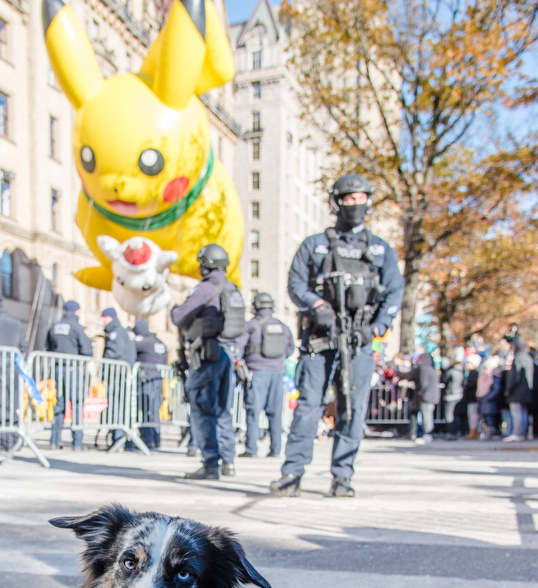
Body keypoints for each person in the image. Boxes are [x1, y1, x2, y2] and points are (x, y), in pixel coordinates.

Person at [270, 173, 404, 497]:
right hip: (320, 340)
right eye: (348, 199)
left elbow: (395, 292)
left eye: (361, 198)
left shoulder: (380, 250)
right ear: (337, 202)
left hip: (359, 341)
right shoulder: (314, 245)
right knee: (308, 407)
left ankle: (342, 476)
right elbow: (295, 283)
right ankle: (292, 474)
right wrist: (318, 306)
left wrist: (376, 328)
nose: (354, 204)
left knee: (352, 410)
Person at [170, 243, 245, 480]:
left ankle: (210, 463)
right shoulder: (232, 289)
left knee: (203, 410)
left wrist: (173, 309)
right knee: (223, 410)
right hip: (226, 354)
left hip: (206, 356)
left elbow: (180, 316)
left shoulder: (205, 289)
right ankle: (228, 461)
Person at [235, 292, 294, 458]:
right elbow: (290, 349)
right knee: (275, 413)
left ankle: (251, 449)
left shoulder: (251, 326)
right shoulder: (283, 327)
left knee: (253, 412)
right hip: (277, 373)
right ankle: (275, 450)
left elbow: (238, 348)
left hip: (257, 373)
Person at [46, 300, 93, 449]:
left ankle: (55, 440)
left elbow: (47, 347)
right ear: (77, 312)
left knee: (59, 405)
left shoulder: (54, 327)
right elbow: (87, 351)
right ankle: (77, 442)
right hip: (73, 369)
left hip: (58, 369)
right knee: (77, 404)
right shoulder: (77, 328)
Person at [0, 293, 27, 451]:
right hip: (13, 368)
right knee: (13, 405)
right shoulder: (15, 322)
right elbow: (23, 345)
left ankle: (2, 443)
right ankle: (13, 441)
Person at [100, 307, 137, 447]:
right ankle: (125, 440)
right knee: (124, 407)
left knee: (116, 407)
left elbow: (113, 353)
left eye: (104, 317)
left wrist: (103, 371)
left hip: (117, 376)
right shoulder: (125, 332)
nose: (102, 320)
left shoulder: (116, 332)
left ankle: (118, 439)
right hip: (124, 376)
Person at [133, 318, 167, 450]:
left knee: (146, 410)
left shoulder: (143, 342)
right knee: (154, 411)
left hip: (146, 379)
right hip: (158, 379)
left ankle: (148, 441)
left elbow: (131, 347)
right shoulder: (159, 342)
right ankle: (156, 440)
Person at [503, 333, 534, 441]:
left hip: (517, 391)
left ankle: (517, 433)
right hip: (527, 390)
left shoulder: (518, 358)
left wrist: (508, 390)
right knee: (523, 412)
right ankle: (522, 433)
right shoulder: (528, 358)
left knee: (516, 413)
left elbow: (513, 377)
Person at [408, 352, 440, 443]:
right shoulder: (432, 369)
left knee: (426, 416)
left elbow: (423, 383)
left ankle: (427, 434)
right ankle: (428, 434)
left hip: (426, 396)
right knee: (428, 415)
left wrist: (420, 391)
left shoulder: (424, 369)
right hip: (433, 395)